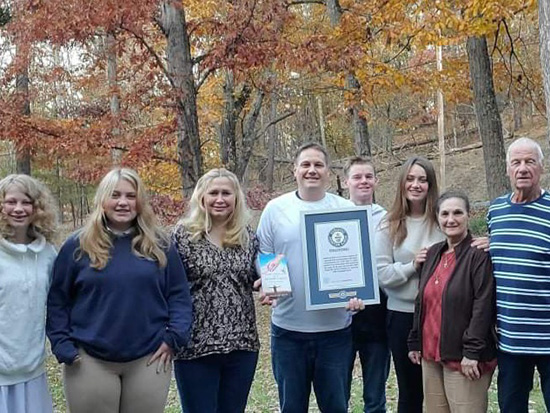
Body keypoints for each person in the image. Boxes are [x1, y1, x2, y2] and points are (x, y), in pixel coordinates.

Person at [46, 168, 192, 413]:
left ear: (139, 201)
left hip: (149, 357)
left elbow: (179, 296)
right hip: (89, 360)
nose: (123, 202)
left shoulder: (160, 245)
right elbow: (58, 301)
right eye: (115, 195)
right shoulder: (77, 245)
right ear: (102, 200)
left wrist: (174, 338)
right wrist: (63, 345)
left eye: (130, 196)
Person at [257, 142, 363, 413]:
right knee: (292, 407)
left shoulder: (346, 209)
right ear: (295, 170)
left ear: (328, 171)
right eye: (306, 164)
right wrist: (269, 281)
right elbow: (263, 254)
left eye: (318, 164)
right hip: (288, 332)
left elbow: (358, 263)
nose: (312, 170)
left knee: (336, 407)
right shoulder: (275, 209)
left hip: (335, 332)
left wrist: (358, 294)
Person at [172, 168, 260, 413]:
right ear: (201, 197)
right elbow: (170, 287)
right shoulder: (182, 236)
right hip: (195, 346)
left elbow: (257, 277)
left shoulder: (247, 237)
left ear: (236, 199)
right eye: (213, 193)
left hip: (242, 345)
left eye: (226, 193)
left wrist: (269, 284)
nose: (220, 199)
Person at [408, 190, 496, 413]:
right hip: (430, 353)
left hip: (464, 357)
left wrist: (472, 352)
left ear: (468, 215)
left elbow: (483, 305)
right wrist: (415, 340)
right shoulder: (433, 254)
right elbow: (422, 301)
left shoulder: (478, 254)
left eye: (458, 212)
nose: (451, 219)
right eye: (445, 213)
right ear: (437, 218)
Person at [375, 156, 444, 413]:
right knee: (410, 392)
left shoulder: (442, 220)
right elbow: (382, 274)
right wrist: (412, 266)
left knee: (440, 390)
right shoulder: (389, 224)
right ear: (402, 183)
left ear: (430, 185)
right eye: (411, 179)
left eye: (422, 180)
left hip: (440, 316)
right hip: (402, 317)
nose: (416, 185)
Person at [487, 137, 550, 413]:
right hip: (510, 338)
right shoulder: (496, 211)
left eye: (529, 162)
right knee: (511, 407)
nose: (522, 168)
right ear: (508, 168)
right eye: (516, 162)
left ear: (541, 167)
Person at [0, 175, 58, 413]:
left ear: (37, 208)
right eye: (11, 202)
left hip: (32, 370)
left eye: (26, 202)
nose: (18, 209)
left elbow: (59, 305)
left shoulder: (48, 254)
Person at [342, 157, 390, 413]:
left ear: (375, 180)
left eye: (368, 176)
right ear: (346, 181)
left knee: (375, 394)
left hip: (378, 313)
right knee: (339, 392)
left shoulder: (389, 219)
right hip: (340, 313)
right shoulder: (333, 217)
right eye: (357, 177)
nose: (363, 181)